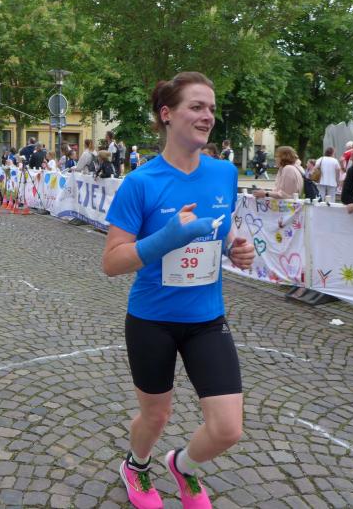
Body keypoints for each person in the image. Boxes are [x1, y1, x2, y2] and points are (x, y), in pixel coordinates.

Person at [102, 71, 254, 509]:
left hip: (207, 318)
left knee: (228, 428)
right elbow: (112, 262)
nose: (208, 116)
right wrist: (165, 238)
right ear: (167, 114)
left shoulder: (224, 172)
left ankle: (182, 465)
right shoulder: (141, 182)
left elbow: (221, 227)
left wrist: (235, 247)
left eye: (211, 108)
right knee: (156, 415)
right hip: (152, 320)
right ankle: (136, 465)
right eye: (196, 106)